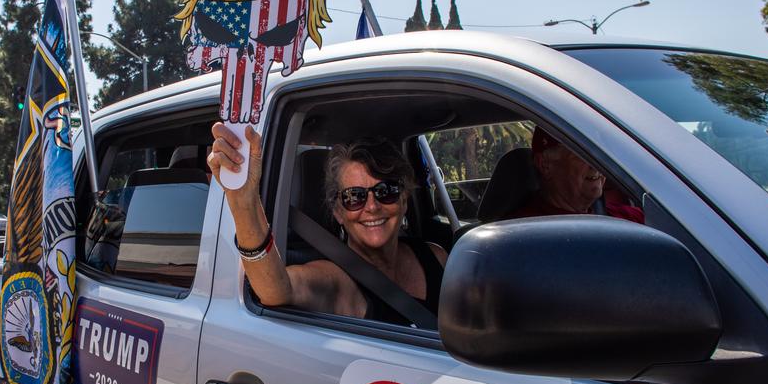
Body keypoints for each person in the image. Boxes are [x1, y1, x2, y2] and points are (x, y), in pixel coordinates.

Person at [209, 122, 447, 320]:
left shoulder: (435, 258)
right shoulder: (336, 280)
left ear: (404, 199)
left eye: (386, 191)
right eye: (355, 197)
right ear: (338, 212)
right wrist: (243, 203)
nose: (372, 207)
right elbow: (277, 290)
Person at [506, 127, 644, 223]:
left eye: (600, 154)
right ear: (545, 165)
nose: (596, 164)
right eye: (583, 154)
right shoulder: (525, 233)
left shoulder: (629, 218)